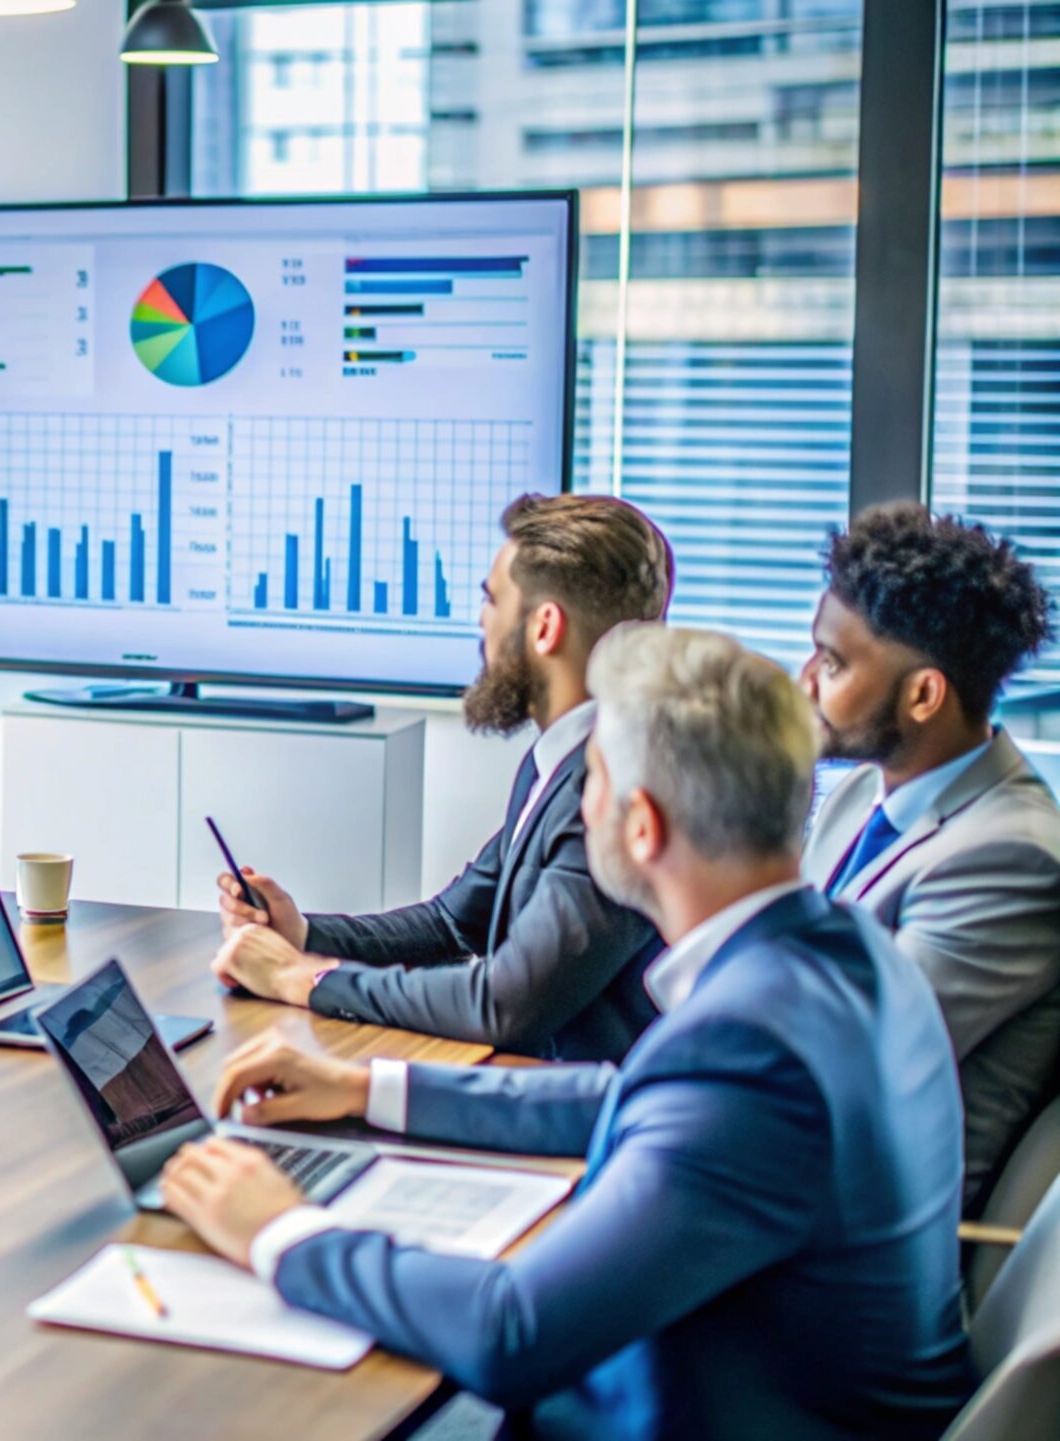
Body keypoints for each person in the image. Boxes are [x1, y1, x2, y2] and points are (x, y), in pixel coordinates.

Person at [165, 624, 974, 1441]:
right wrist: (369, 1086)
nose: (578, 807)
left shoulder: (752, 1047)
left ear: (642, 826)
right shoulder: (843, 950)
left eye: (591, 782)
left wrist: (279, 1227)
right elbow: (627, 1096)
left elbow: (510, 1331)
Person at [212, 493, 671, 1060]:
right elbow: (453, 924)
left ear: (544, 626)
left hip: (568, 1128)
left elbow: (505, 1001)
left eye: (491, 600)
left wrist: (304, 979)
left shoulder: (612, 790)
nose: (481, 622)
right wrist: (303, 935)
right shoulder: (556, 764)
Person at [801, 503, 1060, 1210]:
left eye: (832, 661)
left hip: (856, 1229)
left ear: (923, 694)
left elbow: (846, 1057)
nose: (804, 682)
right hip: (780, 1168)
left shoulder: (1013, 855)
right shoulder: (862, 792)